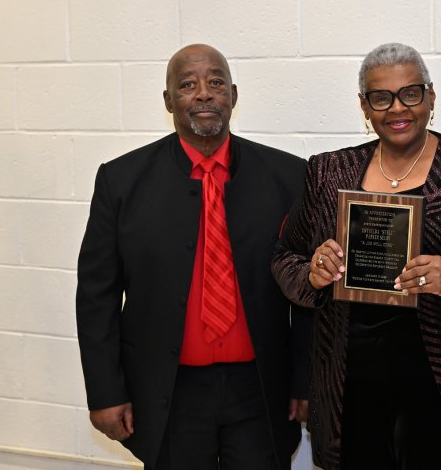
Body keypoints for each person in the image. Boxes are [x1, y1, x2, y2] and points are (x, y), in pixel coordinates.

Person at [272, 43, 441, 469]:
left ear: (430, 96)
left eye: (410, 93)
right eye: (381, 97)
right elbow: (286, 257)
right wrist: (313, 275)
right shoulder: (328, 172)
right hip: (352, 385)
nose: (397, 108)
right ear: (364, 106)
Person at [76, 44, 310, 470]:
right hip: (166, 391)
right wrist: (106, 392)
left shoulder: (290, 177)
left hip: (261, 389)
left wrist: (305, 381)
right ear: (169, 101)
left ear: (233, 96)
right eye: (188, 84)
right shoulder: (121, 181)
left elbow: (309, 291)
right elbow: (96, 296)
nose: (203, 93)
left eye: (216, 82)